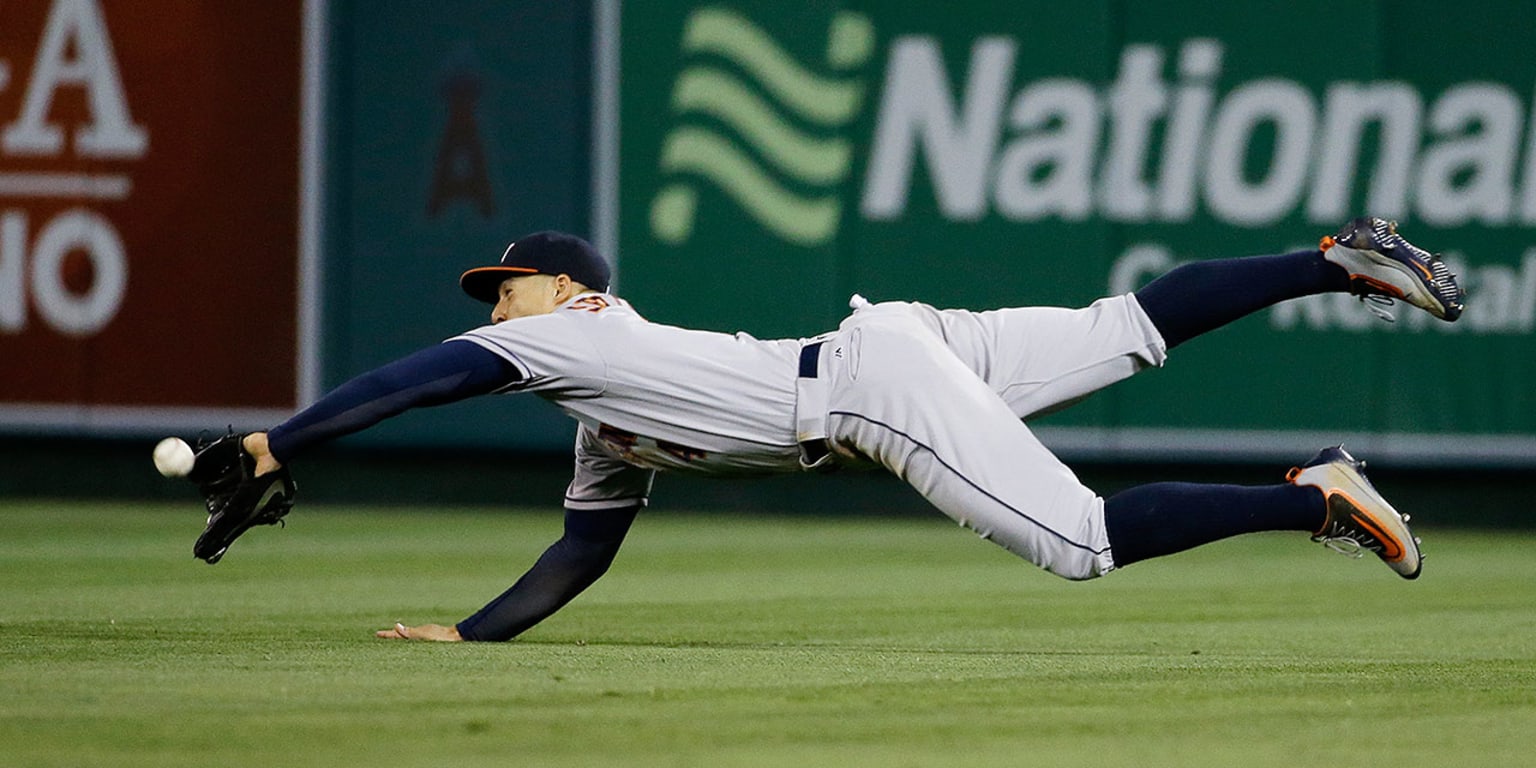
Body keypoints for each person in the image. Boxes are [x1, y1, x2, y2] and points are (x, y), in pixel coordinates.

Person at [230, 219, 1463, 642]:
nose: (496, 301)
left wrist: (283, 445)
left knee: (1082, 542)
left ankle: (1312, 494)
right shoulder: (598, 405)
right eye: (494, 294)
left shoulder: (577, 333)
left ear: (574, 290)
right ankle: (1329, 265)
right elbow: (581, 554)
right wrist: (470, 631)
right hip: (887, 345)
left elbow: (414, 380)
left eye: (509, 284)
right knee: (1125, 324)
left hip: (870, 392)